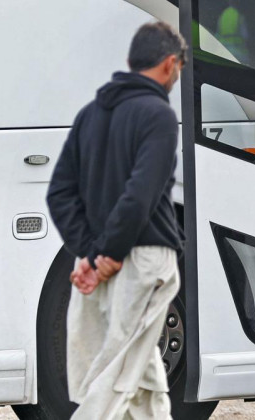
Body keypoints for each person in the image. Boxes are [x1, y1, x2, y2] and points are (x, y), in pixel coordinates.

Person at [46, 22, 186, 419]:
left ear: (129, 62)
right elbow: (140, 196)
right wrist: (106, 254)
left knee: (144, 376)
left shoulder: (89, 115)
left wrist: (90, 254)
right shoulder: (158, 115)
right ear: (169, 64)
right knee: (119, 373)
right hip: (143, 261)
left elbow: (60, 193)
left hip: (97, 260)